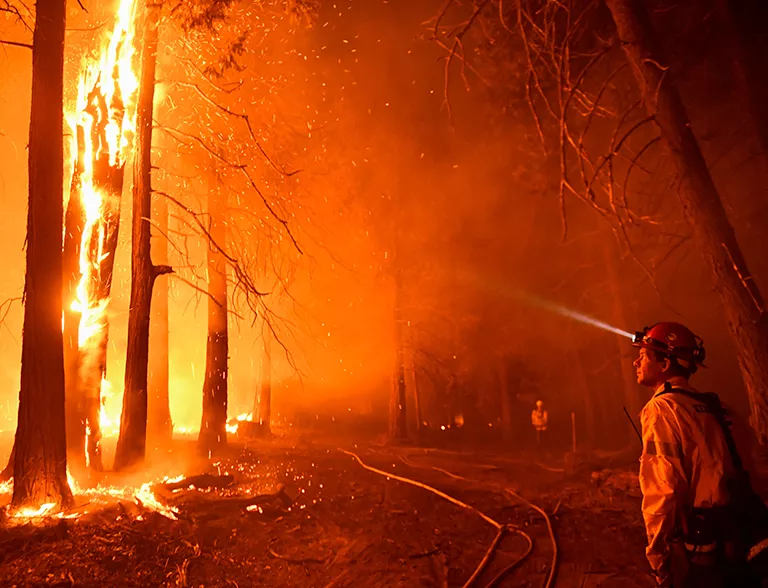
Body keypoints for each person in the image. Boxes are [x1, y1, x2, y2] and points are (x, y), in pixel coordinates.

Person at [632, 322, 759, 587]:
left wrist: (658, 556)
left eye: (644, 356)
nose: (636, 362)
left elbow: (663, 489)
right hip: (743, 534)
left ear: (664, 365)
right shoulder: (718, 407)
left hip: (702, 547)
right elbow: (756, 467)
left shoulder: (662, 409)